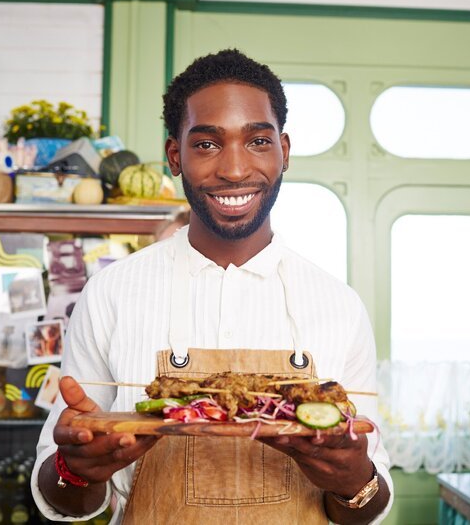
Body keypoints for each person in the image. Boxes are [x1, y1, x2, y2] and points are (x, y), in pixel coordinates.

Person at [31, 49, 393, 524]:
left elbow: (370, 501)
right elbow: (63, 496)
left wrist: (353, 480)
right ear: (174, 156)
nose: (235, 170)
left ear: (284, 151)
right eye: (206, 145)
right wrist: (76, 470)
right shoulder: (111, 292)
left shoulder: (338, 305)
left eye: (258, 141)